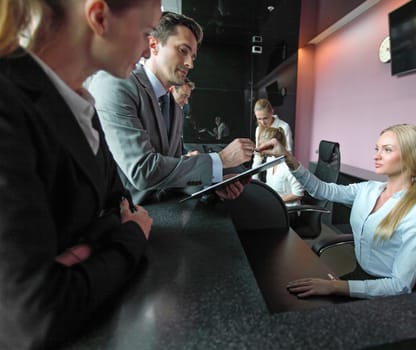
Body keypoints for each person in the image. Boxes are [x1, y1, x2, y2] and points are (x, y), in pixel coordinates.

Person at [0, 0, 161, 348]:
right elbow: (34, 314)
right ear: (99, 16)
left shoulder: (79, 103)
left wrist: (88, 248)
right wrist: (129, 238)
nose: (147, 53)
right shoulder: (9, 100)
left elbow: (117, 203)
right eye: (146, 32)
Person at [88, 12, 255, 204]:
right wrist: (220, 160)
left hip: (161, 213)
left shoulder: (172, 103)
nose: (190, 63)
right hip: (121, 219)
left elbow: (172, 172)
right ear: (153, 45)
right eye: (183, 51)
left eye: (193, 56)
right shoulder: (116, 84)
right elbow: (143, 171)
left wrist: (212, 185)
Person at [258, 124, 416, 299]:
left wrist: (334, 286)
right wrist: (289, 158)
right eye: (377, 149)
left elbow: (399, 287)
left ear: (411, 156)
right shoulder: (369, 189)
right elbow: (323, 190)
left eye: (387, 150)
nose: (376, 156)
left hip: (385, 295)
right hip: (358, 275)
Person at [258, 126, 303, 206]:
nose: (260, 149)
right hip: (274, 205)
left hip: (288, 209)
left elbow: (298, 194)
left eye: (263, 146)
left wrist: (275, 200)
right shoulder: (270, 160)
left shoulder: (290, 166)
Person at [252, 98, 293, 178]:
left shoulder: (284, 127)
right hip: (267, 170)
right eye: (259, 119)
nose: (262, 122)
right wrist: (254, 178)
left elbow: (289, 154)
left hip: (282, 171)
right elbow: (258, 155)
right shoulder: (258, 129)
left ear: (272, 112)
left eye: (265, 118)